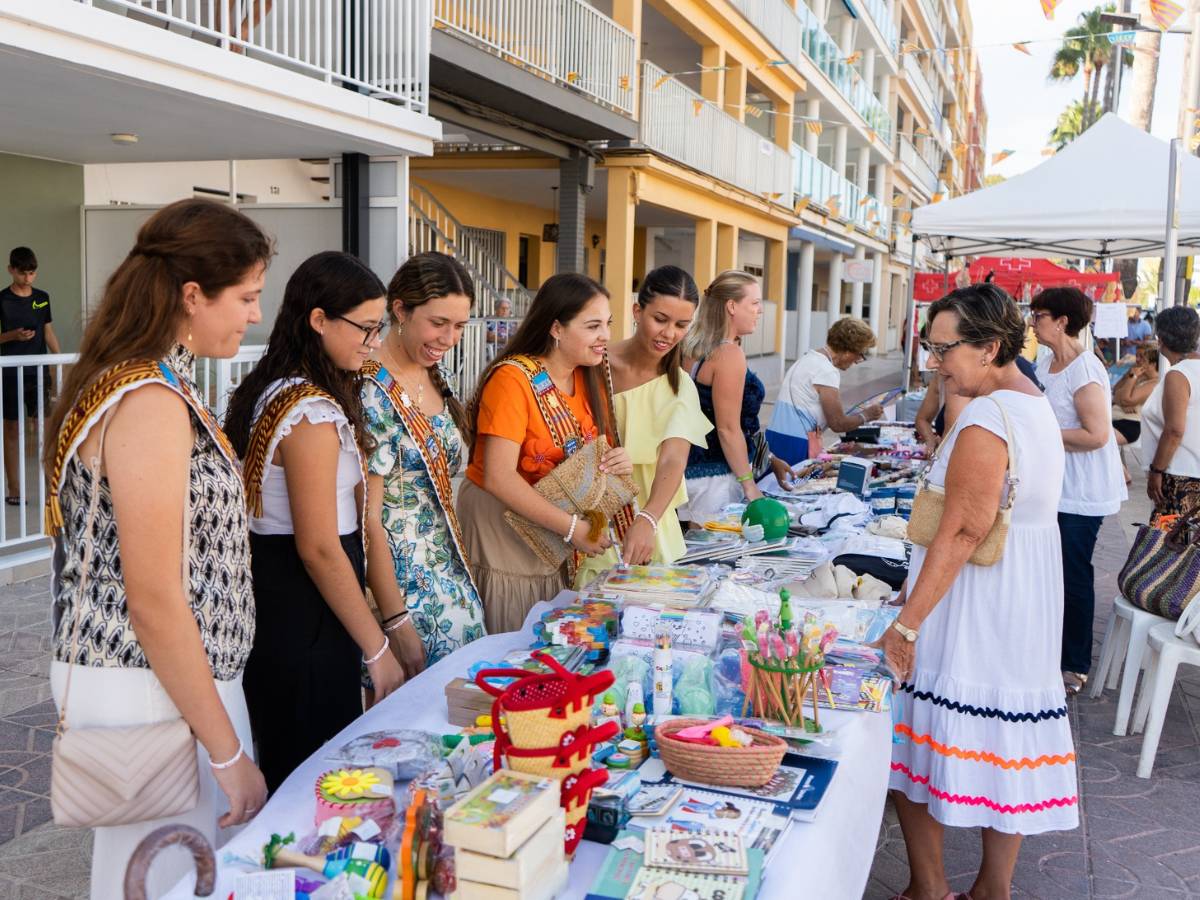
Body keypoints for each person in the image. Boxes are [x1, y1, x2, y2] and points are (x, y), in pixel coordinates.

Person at [44, 199, 271, 898]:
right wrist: (229, 751)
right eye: (247, 297)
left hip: (167, 683)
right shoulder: (146, 399)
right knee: (168, 879)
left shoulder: (148, 380)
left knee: (160, 877)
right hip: (155, 685)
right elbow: (153, 596)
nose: (254, 316)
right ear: (192, 295)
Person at [881, 284, 1077, 900]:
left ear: (990, 347)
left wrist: (908, 622)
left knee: (914, 738)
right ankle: (992, 889)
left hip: (976, 601)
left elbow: (964, 528)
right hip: (1018, 596)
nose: (935, 363)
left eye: (944, 350)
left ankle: (930, 886)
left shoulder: (990, 416)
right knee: (1001, 746)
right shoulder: (1029, 402)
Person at [224, 251, 404, 792]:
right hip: (306, 607)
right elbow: (320, 547)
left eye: (379, 330)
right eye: (366, 330)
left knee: (297, 758)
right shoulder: (309, 411)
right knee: (313, 773)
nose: (373, 344)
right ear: (319, 319)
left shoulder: (276, 387)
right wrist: (378, 650)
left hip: (287, 597)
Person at [459, 273, 631, 633]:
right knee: (514, 633)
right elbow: (498, 476)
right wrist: (572, 529)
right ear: (556, 328)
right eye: (593, 326)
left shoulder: (587, 376)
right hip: (505, 525)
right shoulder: (513, 380)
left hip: (554, 529)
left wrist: (618, 462)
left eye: (608, 324)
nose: (606, 337)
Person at [362, 251, 486, 669]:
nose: (449, 339)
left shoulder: (435, 373)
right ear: (400, 310)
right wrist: (395, 621)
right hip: (397, 590)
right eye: (438, 323)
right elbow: (369, 520)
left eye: (459, 327)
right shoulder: (369, 389)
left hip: (450, 572)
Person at [575, 266, 712, 587]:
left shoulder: (680, 388)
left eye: (681, 325)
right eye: (660, 319)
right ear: (638, 310)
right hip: (582, 522)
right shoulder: (593, 362)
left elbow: (673, 459)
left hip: (645, 525)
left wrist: (647, 519)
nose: (669, 333)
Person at [1030, 286, 1127, 696]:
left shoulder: (1085, 369)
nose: (1032, 322)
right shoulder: (1043, 362)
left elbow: (1096, 434)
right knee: (1046, 570)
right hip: (1051, 483)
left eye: (1039, 315)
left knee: (1072, 572)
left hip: (1080, 490)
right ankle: (1044, 651)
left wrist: (1039, 433)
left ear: (1063, 321)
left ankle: (1074, 663)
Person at [678, 271, 794, 523]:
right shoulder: (728, 353)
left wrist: (768, 458)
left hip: (686, 472)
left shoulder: (691, 346)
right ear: (731, 306)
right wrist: (749, 485)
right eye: (754, 303)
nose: (760, 310)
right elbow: (728, 429)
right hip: (716, 480)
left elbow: (738, 424)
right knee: (716, 558)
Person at [765, 317, 882, 465]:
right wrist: (867, 415)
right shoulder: (827, 371)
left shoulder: (808, 359)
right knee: (792, 484)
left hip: (776, 436)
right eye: (860, 354)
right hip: (795, 442)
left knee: (773, 484)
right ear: (847, 351)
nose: (859, 360)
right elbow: (838, 423)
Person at [2, 246, 60, 504]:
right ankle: (14, 490)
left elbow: (48, 333)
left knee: (44, 430)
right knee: (12, 429)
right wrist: (12, 336)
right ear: (11, 270)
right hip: (10, 374)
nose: (28, 278)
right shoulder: (2, 299)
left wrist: (58, 361)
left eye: (32, 273)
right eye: (23, 273)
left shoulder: (42, 297)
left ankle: (51, 490)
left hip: (38, 374)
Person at [1141, 307, 1200, 519]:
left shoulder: (1179, 374)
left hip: (1180, 476)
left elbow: (1175, 430)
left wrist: (1157, 470)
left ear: (1162, 339)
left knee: (1170, 547)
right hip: (1190, 474)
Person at [1112, 342, 1159, 483]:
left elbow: (1126, 398)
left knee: (1100, 439)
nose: (1137, 360)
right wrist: (1129, 376)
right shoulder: (1139, 376)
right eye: (1137, 355)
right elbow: (1115, 392)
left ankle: (1123, 474)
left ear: (1152, 362)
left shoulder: (1154, 382)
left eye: (1141, 357)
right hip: (1118, 420)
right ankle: (1122, 473)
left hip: (1129, 425)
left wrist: (1132, 378)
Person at [486, 297, 514, 362]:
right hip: (495, 349)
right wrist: (506, 340)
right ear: (496, 309)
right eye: (502, 308)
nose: (505, 310)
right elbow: (490, 337)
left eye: (507, 308)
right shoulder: (490, 321)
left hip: (510, 348)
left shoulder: (513, 322)